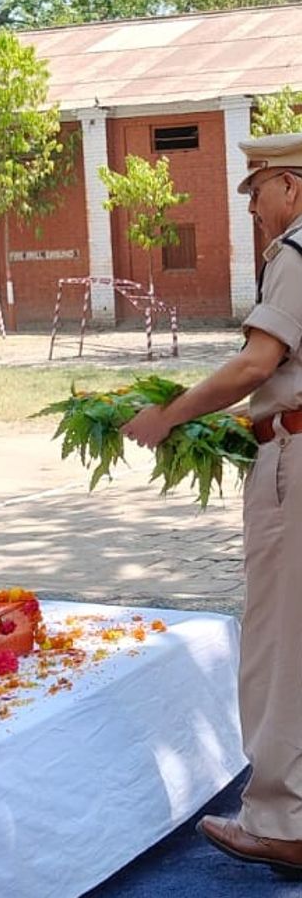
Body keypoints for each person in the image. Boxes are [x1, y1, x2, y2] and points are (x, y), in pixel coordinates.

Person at [122, 133, 302, 874]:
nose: (253, 208)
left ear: (291, 186)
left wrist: (170, 415)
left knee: (280, 644)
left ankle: (283, 821)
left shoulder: (295, 252)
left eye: (257, 191)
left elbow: (257, 362)